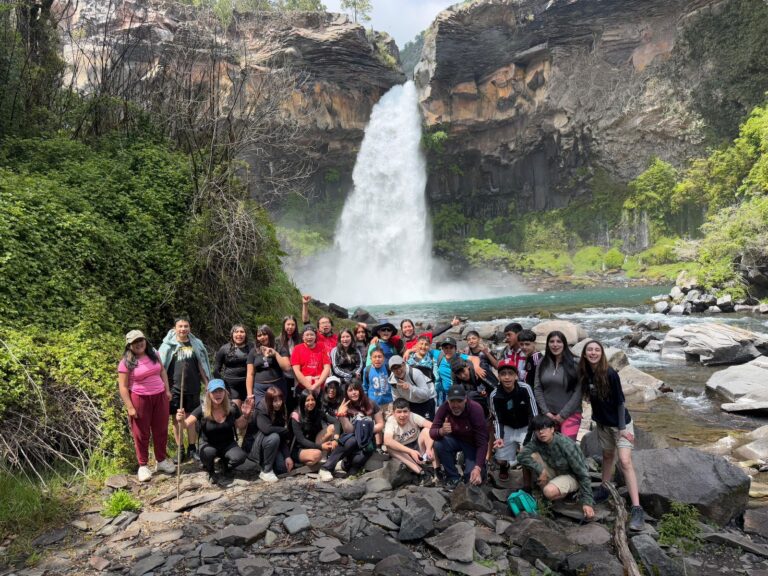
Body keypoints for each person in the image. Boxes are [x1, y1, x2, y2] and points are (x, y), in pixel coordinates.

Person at [579, 340, 645, 531]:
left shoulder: (610, 373)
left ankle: (637, 508)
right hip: (602, 424)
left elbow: (620, 402)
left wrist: (623, 428)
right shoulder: (586, 373)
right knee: (607, 456)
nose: (593, 353)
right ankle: (605, 488)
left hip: (620, 425)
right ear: (584, 354)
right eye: (590, 350)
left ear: (602, 354)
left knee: (625, 461)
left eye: (597, 350)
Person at [118, 330, 175, 482]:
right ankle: (143, 465)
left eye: (141, 340)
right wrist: (130, 407)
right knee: (141, 433)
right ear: (129, 345)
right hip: (140, 398)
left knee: (161, 430)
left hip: (160, 396)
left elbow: (162, 371)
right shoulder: (125, 362)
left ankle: (161, 461)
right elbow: (123, 387)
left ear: (145, 340)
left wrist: (167, 390)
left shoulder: (154, 353)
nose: (139, 344)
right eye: (135, 342)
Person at [518, 415, 595, 521]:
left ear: (552, 429)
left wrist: (587, 502)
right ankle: (530, 491)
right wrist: (541, 470)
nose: (541, 432)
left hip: (572, 475)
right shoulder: (537, 441)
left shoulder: (565, 445)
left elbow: (583, 473)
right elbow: (521, 456)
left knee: (548, 491)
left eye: (545, 428)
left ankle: (566, 495)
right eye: (538, 430)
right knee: (529, 456)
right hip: (556, 470)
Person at [176, 380, 251, 485]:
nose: (218, 394)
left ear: (225, 392)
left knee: (240, 457)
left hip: (228, 444)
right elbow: (185, 425)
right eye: (214, 391)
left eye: (220, 391)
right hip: (208, 444)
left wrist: (246, 416)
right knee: (208, 453)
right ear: (208, 394)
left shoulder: (232, 407)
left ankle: (225, 465)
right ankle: (210, 470)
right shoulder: (202, 409)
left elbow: (240, 425)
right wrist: (181, 420)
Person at [159, 317, 211, 461]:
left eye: (186, 326)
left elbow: (201, 364)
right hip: (174, 388)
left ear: (189, 328)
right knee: (177, 419)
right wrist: (166, 389)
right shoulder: (167, 345)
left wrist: (207, 383)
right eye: (180, 326)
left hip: (193, 386)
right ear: (174, 328)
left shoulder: (196, 344)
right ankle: (180, 449)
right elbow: (162, 367)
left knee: (191, 418)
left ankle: (192, 448)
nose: (183, 329)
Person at [317, 381, 385, 481]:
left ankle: (345, 465)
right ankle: (326, 468)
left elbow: (380, 424)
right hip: (351, 438)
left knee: (357, 462)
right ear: (346, 393)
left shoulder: (371, 403)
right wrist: (341, 416)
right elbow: (349, 430)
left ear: (360, 390)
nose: (354, 392)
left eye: (356, 389)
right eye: (350, 390)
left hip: (367, 439)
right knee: (352, 440)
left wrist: (366, 429)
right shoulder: (345, 406)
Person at [430, 384, 489, 490]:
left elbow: (483, 442)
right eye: (452, 401)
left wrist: (478, 468)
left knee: (471, 479)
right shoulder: (444, 407)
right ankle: (453, 477)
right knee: (439, 443)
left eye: (459, 401)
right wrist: (441, 431)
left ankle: (481, 467)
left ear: (465, 399)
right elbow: (432, 432)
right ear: (448, 400)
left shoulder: (475, 409)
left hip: (472, 443)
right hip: (454, 440)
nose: (455, 405)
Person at [489, 358, 538, 481]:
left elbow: (534, 414)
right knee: (500, 459)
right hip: (507, 427)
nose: (507, 377)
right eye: (503, 374)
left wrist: (529, 438)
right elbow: (497, 419)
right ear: (499, 377)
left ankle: (527, 482)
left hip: (526, 426)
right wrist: (499, 437)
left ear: (516, 375)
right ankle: (505, 466)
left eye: (510, 373)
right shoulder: (494, 395)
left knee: (527, 454)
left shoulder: (525, 388)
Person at [533, 330, 582, 440]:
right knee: (548, 447)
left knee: (567, 446)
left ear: (564, 344)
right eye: (552, 341)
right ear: (547, 344)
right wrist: (546, 412)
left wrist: (563, 414)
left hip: (571, 414)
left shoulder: (576, 363)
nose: (555, 345)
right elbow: (537, 388)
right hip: (548, 414)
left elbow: (579, 392)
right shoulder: (542, 362)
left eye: (559, 341)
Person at [243, 386, 293, 483]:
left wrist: (287, 456)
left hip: (269, 444)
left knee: (282, 468)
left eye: (280, 400)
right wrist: (285, 431)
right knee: (274, 436)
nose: (278, 403)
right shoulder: (261, 408)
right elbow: (267, 429)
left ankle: (267, 464)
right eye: (275, 401)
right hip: (254, 446)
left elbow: (281, 435)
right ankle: (266, 471)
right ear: (269, 401)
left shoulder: (280, 409)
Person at [383, 398, 436, 484]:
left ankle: (436, 470)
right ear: (393, 413)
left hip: (418, 446)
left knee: (427, 430)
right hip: (403, 450)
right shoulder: (391, 421)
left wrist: (429, 448)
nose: (402, 415)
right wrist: (411, 452)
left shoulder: (413, 416)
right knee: (389, 447)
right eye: (399, 412)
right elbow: (387, 440)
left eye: (405, 411)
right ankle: (421, 472)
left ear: (409, 411)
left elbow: (433, 426)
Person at [427, 337, 486, 405]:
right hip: (444, 395)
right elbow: (424, 347)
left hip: (460, 394)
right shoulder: (439, 355)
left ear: (455, 349)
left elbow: (475, 358)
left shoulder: (459, 357)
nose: (448, 350)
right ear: (442, 349)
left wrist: (476, 367)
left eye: (451, 347)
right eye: (446, 348)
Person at [290, 389, 339, 468]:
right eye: (307, 400)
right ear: (303, 402)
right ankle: (302, 463)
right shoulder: (296, 416)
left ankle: (322, 460)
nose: (310, 403)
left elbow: (336, 422)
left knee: (332, 428)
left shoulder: (318, 412)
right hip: (300, 448)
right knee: (317, 454)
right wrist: (321, 447)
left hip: (315, 443)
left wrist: (336, 439)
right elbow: (301, 440)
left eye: (312, 400)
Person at [246, 325, 291, 402]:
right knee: (261, 408)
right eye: (259, 335)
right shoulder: (253, 351)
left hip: (278, 386)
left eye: (264, 334)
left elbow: (287, 368)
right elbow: (250, 374)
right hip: (260, 390)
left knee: (278, 408)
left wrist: (275, 354)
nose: (262, 337)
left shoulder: (279, 348)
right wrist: (249, 395)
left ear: (270, 334)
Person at [213, 324, 251, 407]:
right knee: (235, 409)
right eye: (236, 332)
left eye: (242, 332)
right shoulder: (224, 349)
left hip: (249, 385)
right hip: (230, 386)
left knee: (248, 411)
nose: (239, 334)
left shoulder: (252, 348)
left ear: (245, 334)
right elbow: (216, 370)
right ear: (232, 334)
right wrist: (222, 385)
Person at [388, 355, 437, 420]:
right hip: (411, 402)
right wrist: (394, 410)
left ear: (404, 364)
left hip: (427, 401)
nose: (398, 370)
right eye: (394, 368)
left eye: (399, 366)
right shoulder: (393, 381)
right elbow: (397, 399)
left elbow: (426, 395)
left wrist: (410, 387)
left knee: (428, 424)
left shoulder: (415, 373)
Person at [363, 347, 393, 449]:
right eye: (374, 357)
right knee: (377, 424)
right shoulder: (367, 370)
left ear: (384, 358)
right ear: (370, 358)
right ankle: (378, 445)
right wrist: (366, 402)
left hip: (388, 402)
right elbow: (365, 386)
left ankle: (388, 444)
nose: (377, 359)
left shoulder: (388, 368)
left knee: (389, 423)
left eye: (380, 357)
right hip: (374, 403)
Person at [291, 325, 331, 394]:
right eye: (307, 335)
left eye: (312, 335)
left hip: (320, 386)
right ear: (303, 337)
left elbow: (327, 368)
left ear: (315, 336)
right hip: (303, 388)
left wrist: (316, 385)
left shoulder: (322, 347)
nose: (309, 337)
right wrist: (309, 387)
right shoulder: (297, 349)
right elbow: (296, 370)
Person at [394, 317, 460, 351]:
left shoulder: (420, 338)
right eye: (405, 327)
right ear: (401, 329)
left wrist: (451, 324)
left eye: (409, 326)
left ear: (413, 328)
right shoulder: (398, 339)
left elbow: (436, 332)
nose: (408, 329)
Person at [278, 315, 301, 407]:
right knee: (284, 400)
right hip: (283, 376)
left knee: (295, 400)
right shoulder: (278, 340)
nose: (290, 327)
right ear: (284, 325)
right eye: (288, 324)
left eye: (293, 325)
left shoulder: (300, 339)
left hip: (297, 376)